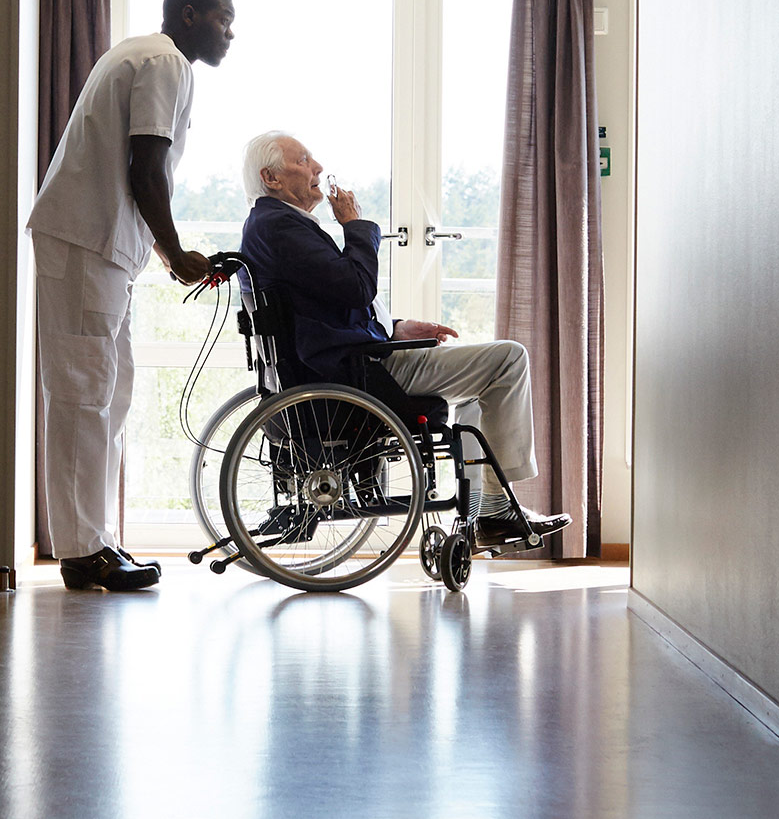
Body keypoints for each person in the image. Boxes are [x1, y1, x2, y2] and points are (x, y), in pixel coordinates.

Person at [235, 130, 567, 552]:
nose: (317, 167)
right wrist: (356, 227)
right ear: (272, 178)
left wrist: (394, 328)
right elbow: (356, 287)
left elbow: (323, 308)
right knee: (508, 359)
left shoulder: (270, 226)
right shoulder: (281, 227)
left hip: (348, 362)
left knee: (480, 389)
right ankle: (496, 510)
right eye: (302, 161)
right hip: (358, 373)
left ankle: (487, 508)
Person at [27, 0, 235, 592]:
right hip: (86, 240)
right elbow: (147, 167)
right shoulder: (164, 61)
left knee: (108, 392)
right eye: (223, 19)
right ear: (189, 15)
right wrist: (176, 251)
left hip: (98, 243)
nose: (231, 33)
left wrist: (164, 253)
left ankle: (95, 539)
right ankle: (82, 551)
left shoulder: (146, 55)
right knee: (83, 393)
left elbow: (140, 168)